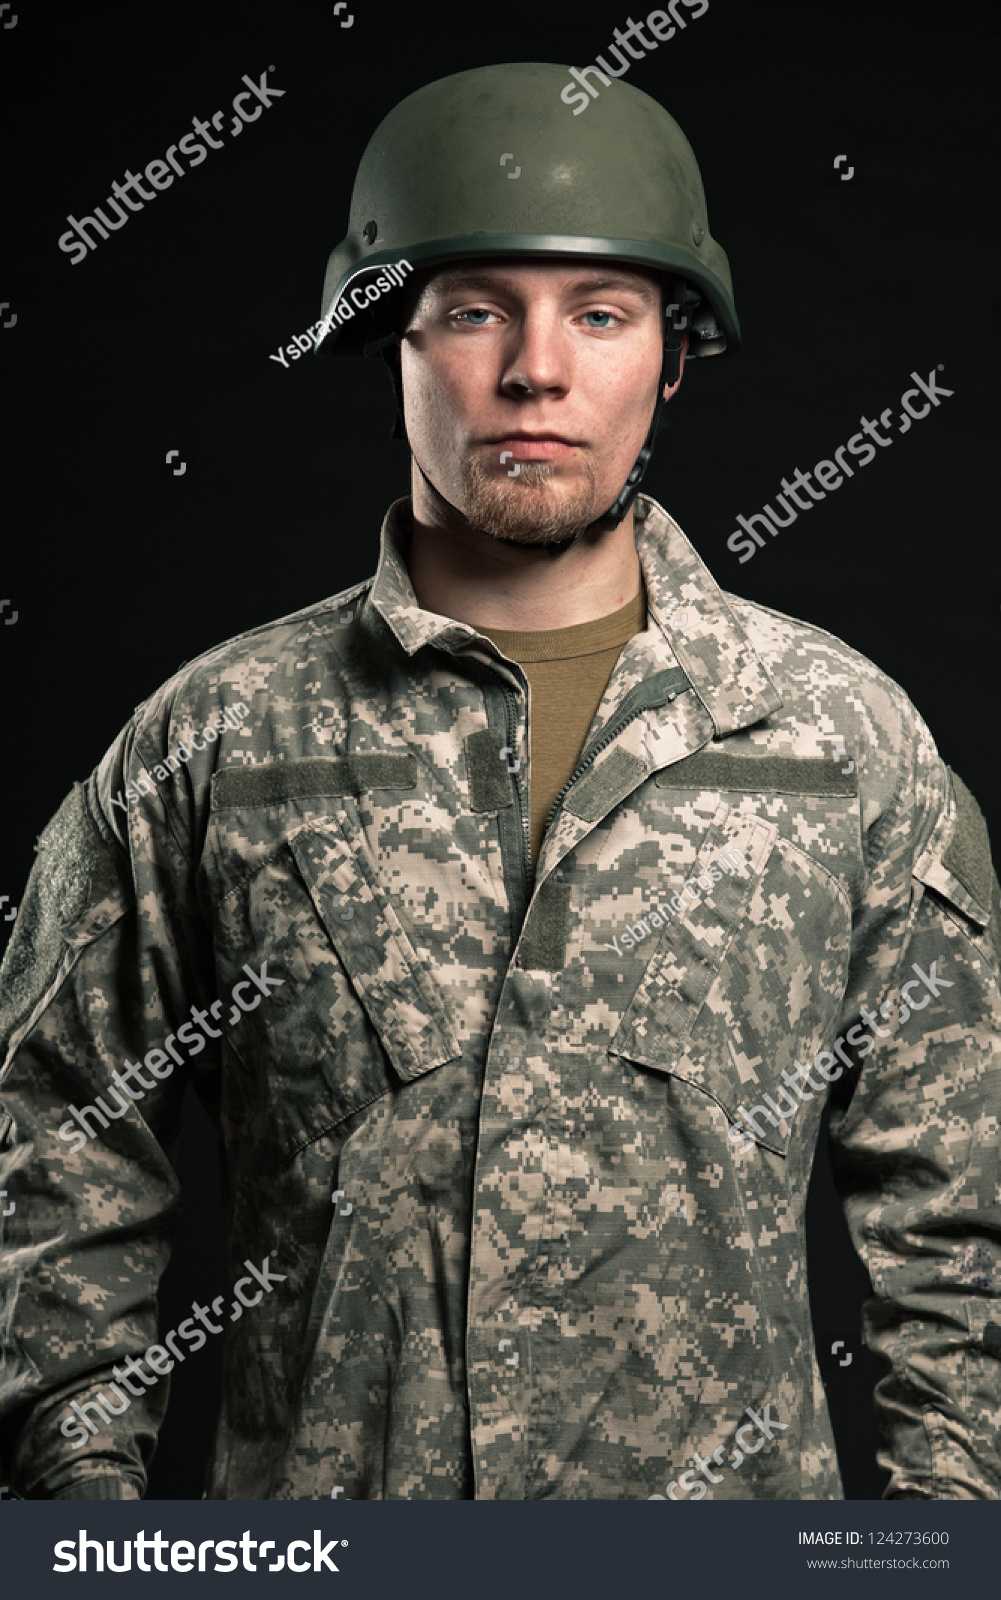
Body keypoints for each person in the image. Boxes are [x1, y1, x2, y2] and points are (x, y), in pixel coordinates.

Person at [0, 62, 998, 1502]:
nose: (536, 368)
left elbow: (963, 1215)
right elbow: (49, 1130)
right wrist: (86, 1517)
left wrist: (941, 1545)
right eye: (474, 310)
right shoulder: (214, 741)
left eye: (599, 314)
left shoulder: (836, 742)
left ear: (670, 354)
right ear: (389, 343)